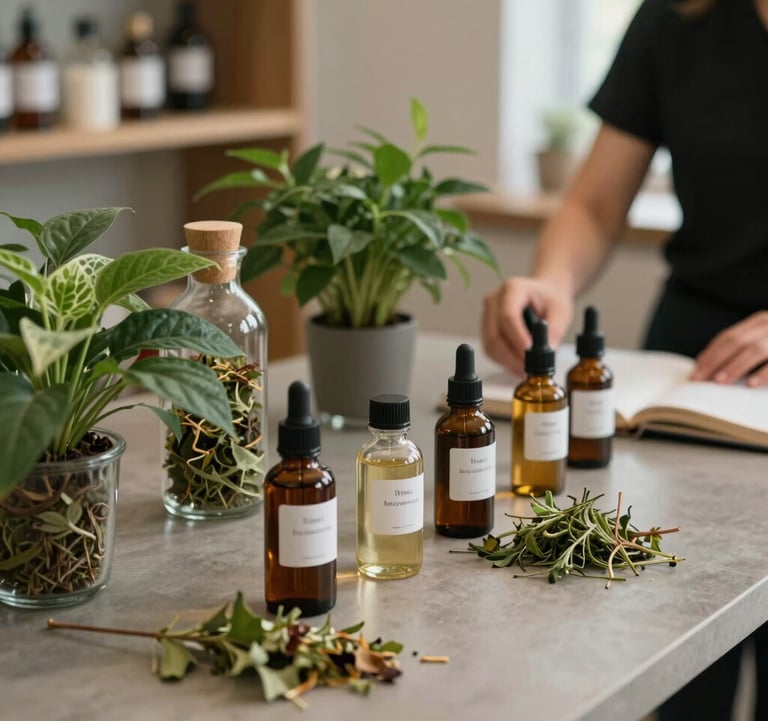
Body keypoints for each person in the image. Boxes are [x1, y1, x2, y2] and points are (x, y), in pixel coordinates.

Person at [482, 0, 768, 719]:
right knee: (677, 657)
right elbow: (596, 203)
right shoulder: (679, 16)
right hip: (693, 363)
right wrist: (551, 280)